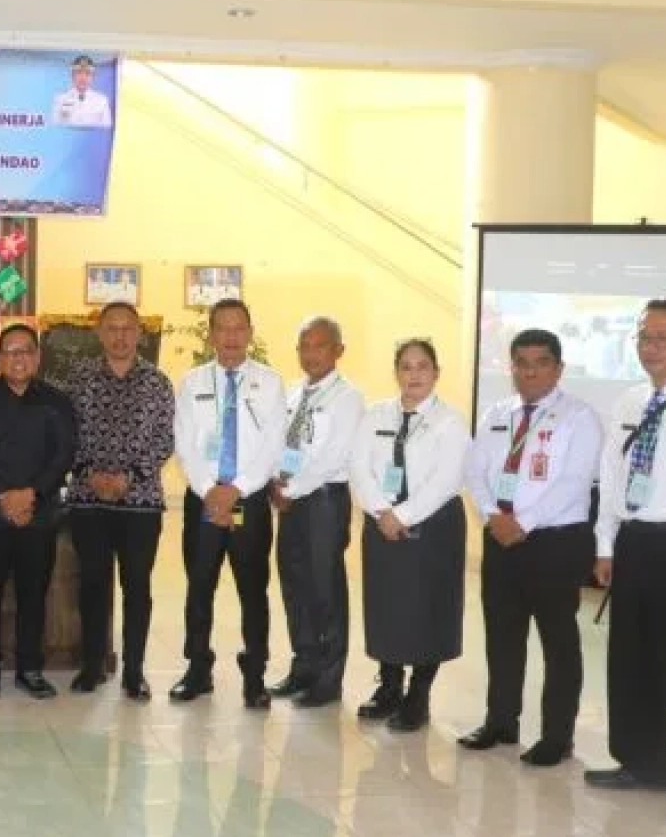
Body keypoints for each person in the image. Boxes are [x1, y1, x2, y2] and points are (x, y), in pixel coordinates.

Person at [585, 299, 666, 827]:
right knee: (632, 661)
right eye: (644, 336)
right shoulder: (629, 401)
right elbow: (611, 477)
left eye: (663, 336)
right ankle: (644, 763)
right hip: (635, 543)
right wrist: (606, 545)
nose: (651, 345)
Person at [461, 328, 601, 766]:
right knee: (503, 634)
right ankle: (501, 721)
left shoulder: (580, 417)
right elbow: (476, 469)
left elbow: (575, 481)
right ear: (511, 368)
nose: (530, 371)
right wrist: (491, 515)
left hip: (555, 542)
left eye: (540, 363)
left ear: (558, 368)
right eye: (521, 363)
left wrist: (523, 522)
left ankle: (557, 737)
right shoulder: (497, 413)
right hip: (501, 538)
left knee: (558, 641)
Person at [348, 339, 470, 733]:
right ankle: (388, 688)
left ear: (436, 373)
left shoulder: (449, 422)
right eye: (405, 366)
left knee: (426, 610)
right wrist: (381, 511)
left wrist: (402, 514)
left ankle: (418, 695)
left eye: (422, 367)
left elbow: (446, 479)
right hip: (381, 523)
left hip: (432, 527)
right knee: (386, 608)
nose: (414, 375)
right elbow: (358, 467)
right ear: (396, 371)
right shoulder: (375, 414)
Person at [172, 299, 287, 709]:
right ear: (211, 335)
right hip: (204, 499)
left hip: (249, 501)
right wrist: (210, 490)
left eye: (239, 328)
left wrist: (235, 490)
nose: (232, 337)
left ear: (250, 333)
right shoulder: (192, 383)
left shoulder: (272, 384)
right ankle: (197, 668)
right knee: (199, 585)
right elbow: (184, 444)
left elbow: (274, 445)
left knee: (253, 589)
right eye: (223, 328)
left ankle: (254, 674)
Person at [0, 324, 77, 700]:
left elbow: (64, 456)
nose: (19, 358)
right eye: (10, 351)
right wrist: (3, 496)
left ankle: (30, 668)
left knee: (33, 595)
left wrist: (31, 495)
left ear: (38, 357)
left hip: (38, 515)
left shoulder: (57, 401)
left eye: (26, 350)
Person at [65, 301, 174, 702]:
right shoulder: (79, 380)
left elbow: (165, 438)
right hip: (88, 501)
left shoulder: (157, 382)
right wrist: (90, 474)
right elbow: (65, 436)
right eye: (111, 328)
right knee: (93, 585)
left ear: (140, 334)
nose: (120, 336)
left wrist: (130, 478)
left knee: (137, 587)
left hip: (140, 503)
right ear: (98, 333)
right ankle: (92, 666)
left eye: (128, 328)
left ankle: (134, 671)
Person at [267, 316, 365, 709]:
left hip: (323, 499)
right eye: (304, 347)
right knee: (294, 583)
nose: (311, 354)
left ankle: (329, 678)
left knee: (325, 588)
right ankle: (303, 666)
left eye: (320, 345)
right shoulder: (292, 393)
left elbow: (334, 456)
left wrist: (290, 488)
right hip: (290, 498)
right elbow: (278, 442)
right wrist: (275, 480)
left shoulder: (348, 397)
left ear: (338, 350)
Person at [51, 55, 112, 128]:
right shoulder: (60, 99)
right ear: (72, 76)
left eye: (87, 73)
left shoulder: (102, 100)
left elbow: (106, 129)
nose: (83, 77)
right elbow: (55, 127)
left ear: (93, 77)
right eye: (79, 72)